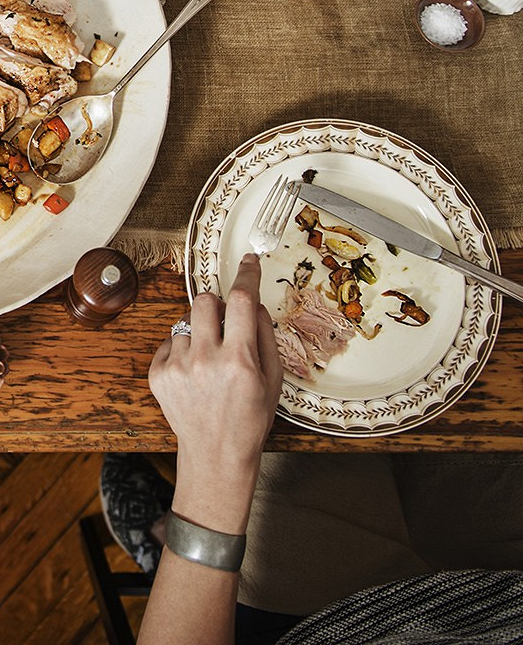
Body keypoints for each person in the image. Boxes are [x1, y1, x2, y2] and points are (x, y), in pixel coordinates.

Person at [102, 253, 523, 645]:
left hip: (320, 621)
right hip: (500, 588)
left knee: (281, 427)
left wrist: (214, 466)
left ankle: (165, 542)